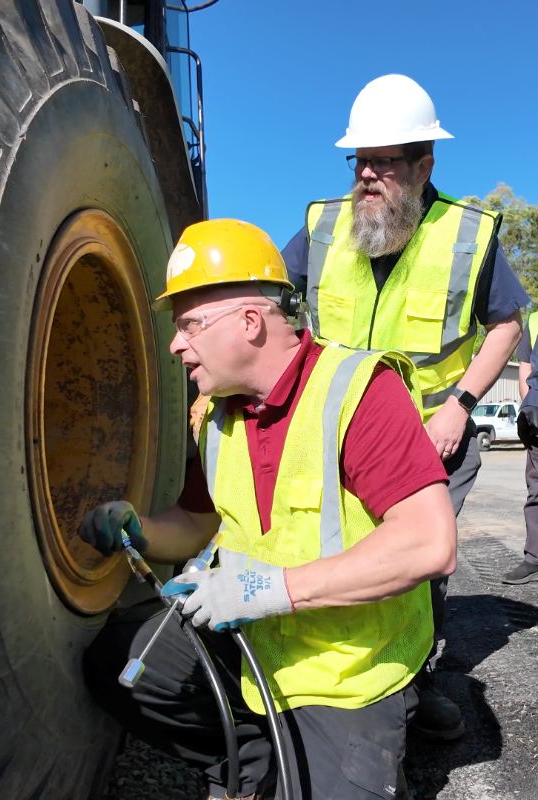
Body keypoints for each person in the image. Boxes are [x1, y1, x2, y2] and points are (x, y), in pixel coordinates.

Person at [81, 219, 457, 800]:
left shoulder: (359, 391)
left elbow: (429, 543)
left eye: (188, 325)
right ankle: (252, 764)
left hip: (343, 670)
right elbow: (196, 522)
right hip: (255, 637)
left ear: (250, 322)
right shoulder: (213, 414)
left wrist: (267, 590)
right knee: (120, 667)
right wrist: (141, 529)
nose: (177, 344)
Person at [281, 74, 528, 740]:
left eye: (384, 162)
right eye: (359, 161)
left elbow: (507, 322)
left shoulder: (467, 235)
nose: (367, 175)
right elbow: (274, 300)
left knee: (419, 566)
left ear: (424, 166)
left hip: (432, 433)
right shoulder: (325, 228)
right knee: (333, 548)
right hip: (336, 433)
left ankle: (415, 688)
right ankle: (326, 680)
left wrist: (461, 405)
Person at [506, 311, 538, 583]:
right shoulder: (536, 320)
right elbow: (525, 366)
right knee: (536, 490)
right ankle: (534, 558)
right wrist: (527, 407)